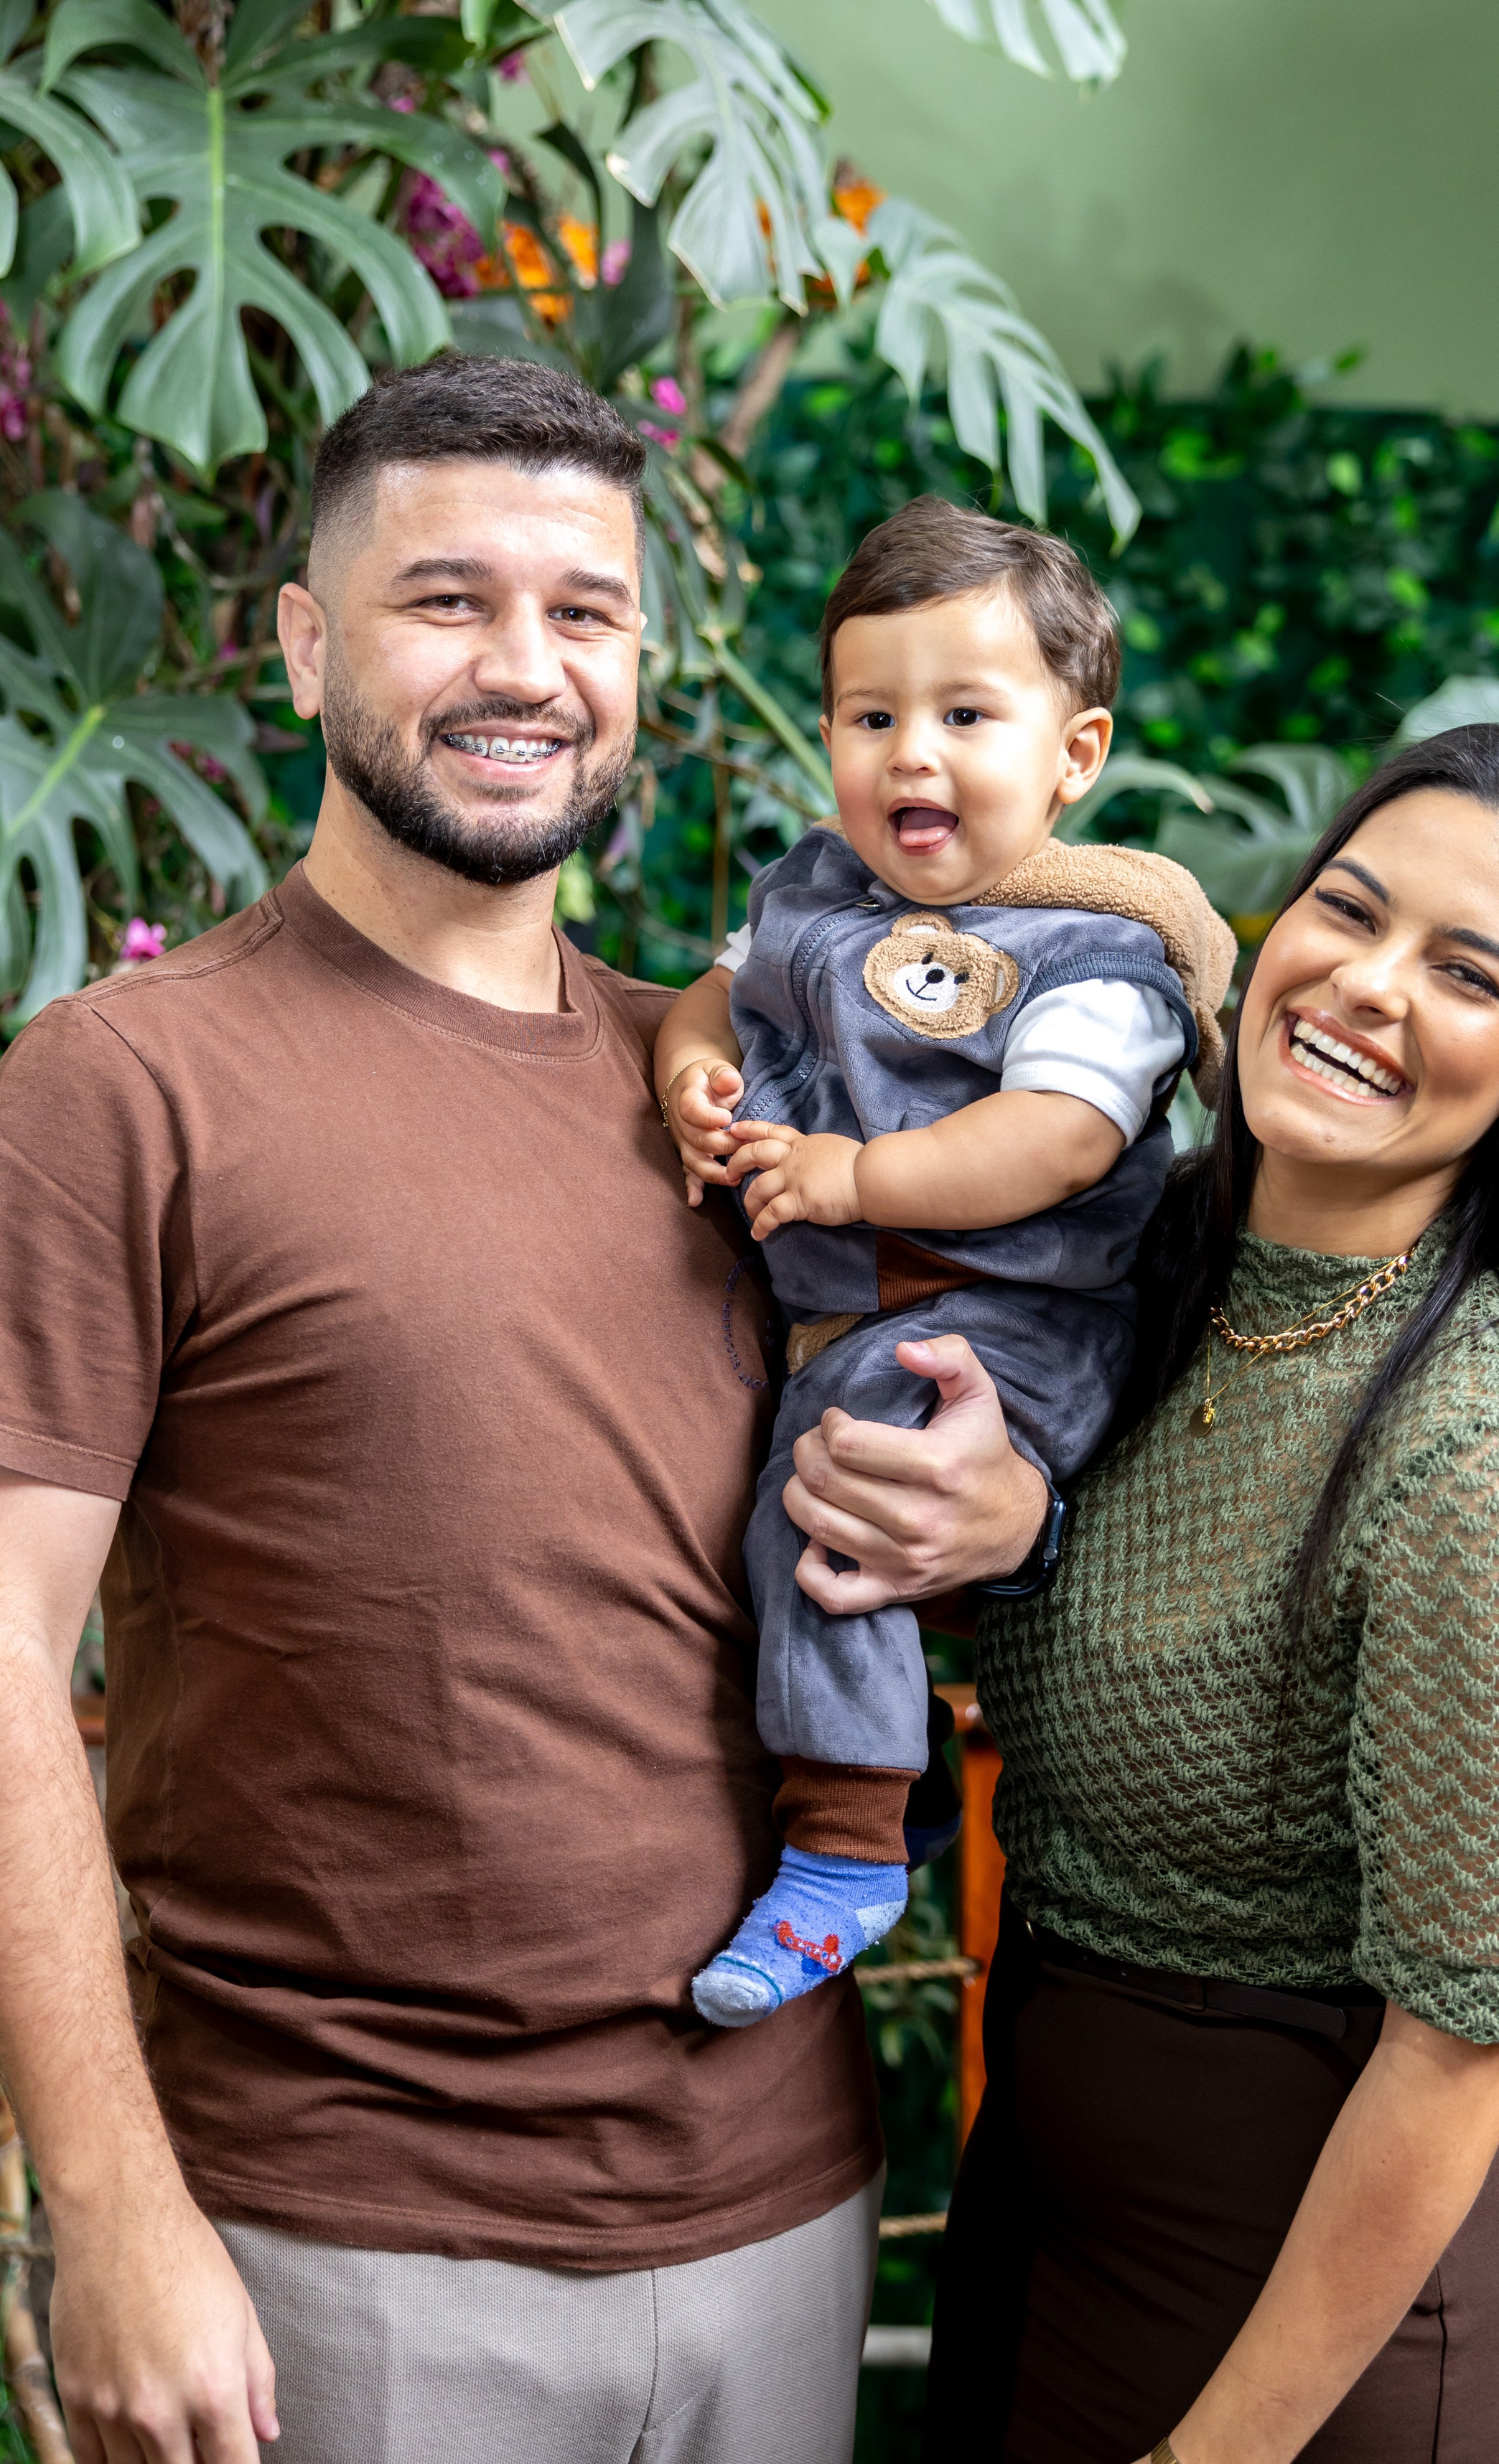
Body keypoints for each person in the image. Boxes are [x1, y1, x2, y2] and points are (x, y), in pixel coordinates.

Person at [0, 355, 1048, 2464]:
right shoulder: (124, 1087)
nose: (526, 667)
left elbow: (961, 1411)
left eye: (585, 611)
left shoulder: (742, 1090)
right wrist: (109, 2208)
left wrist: (997, 1505)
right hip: (334, 2246)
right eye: (446, 599)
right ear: (306, 644)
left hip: (781, 2204)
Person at [923, 723, 1499, 2463]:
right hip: (1036, 2201)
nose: (1364, 985)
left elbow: (1466, 2045)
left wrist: (1210, 2456)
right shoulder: (1139, 1264)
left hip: (1312, 2305)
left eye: (1465, 972)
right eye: (1347, 909)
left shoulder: (1473, 1465)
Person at [655, 499, 1234, 2027]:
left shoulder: (1092, 957)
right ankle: (868, 1779)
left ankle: (847, 1849)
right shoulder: (815, 896)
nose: (910, 754)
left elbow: (1049, 1140)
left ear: (1075, 751)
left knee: (836, 1505)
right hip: (854, 1314)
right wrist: (693, 1075)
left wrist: (854, 1174)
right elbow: (712, 1001)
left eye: (964, 714)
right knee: (799, 1492)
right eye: (871, 714)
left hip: (1007, 1327)